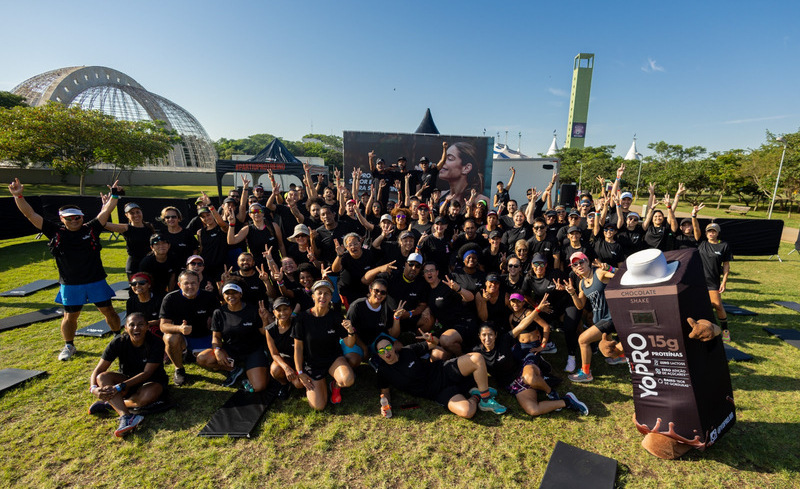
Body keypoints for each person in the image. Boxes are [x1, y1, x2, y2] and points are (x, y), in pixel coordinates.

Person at [8, 178, 121, 360]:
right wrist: (17, 195)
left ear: (82, 217)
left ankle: (118, 338)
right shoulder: (55, 231)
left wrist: (115, 193)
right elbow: (30, 214)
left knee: (109, 311)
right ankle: (69, 345)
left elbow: (107, 210)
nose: (74, 220)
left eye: (77, 217)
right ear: (62, 219)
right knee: (70, 316)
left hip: (96, 280)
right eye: (69, 218)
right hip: (71, 284)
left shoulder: (91, 229)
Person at [374, 331, 507, 418]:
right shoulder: (383, 371)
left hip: (443, 371)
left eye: (388, 348)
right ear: (379, 354)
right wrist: (385, 406)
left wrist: (431, 339)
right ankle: (476, 396)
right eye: (381, 351)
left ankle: (485, 399)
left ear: (393, 346)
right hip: (437, 392)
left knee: (477, 358)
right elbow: (385, 392)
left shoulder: (407, 351)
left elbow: (434, 344)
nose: (386, 353)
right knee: (467, 411)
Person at [474, 319, 588, 417]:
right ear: (479, 336)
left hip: (522, 370)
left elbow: (522, 325)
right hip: (512, 385)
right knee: (533, 410)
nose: (487, 338)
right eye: (484, 335)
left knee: (530, 378)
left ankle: (551, 392)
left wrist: (537, 310)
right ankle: (567, 401)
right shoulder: (477, 353)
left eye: (490, 334)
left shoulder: (504, 340)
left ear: (495, 335)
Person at [87, 313, 168, 437]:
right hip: (127, 381)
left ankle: (111, 403)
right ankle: (126, 416)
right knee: (102, 377)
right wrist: (93, 389)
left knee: (148, 395)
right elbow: (98, 370)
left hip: (152, 381)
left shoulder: (156, 342)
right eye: (132, 325)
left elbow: (147, 373)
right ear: (125, 327)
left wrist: (119, 387)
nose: (136, 328)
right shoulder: (118, 342)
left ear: (147, 327)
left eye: (141, 324)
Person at [292, 280, 356, 410]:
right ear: (313, 296)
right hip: (313, 364)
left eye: (327, 294)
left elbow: (349, 343)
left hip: (333, 359)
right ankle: (321, 383)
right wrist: (300, 372)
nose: (323, 297)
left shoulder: (336, 317)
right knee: (318, 406)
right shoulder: (302, 318)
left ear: (331, 297)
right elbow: (298, 348)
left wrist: (350, 331)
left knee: (347, 380)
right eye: (319, 293)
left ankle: (335, 385)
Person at [196, 282, 269, 392]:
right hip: (231, 351)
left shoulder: (253, 310)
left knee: (259, 387)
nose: (231, 296)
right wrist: (217, 350)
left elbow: (264, 333)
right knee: (202, 358)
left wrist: (264, 320)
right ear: (223, 295)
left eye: (234, 292)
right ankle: (234, 369)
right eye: (227, 293)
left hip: (252, 351)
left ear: (240, 294)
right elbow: (216, 337)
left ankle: (253, 368)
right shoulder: (219, 312)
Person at [561, 252, 620, 383]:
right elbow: (580, 306)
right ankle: (618, 357)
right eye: (575, 265)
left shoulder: (599, 273)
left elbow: (622, 275)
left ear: (587, 261)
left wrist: (610, 268)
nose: (579, 266)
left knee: (582, 340)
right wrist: (572, 293)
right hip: (600, 319)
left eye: (581, 262)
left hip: (612, 317)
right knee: (608, 346)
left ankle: (586, 373)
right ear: (573, 269)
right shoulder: (582, 283)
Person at [160, 270, 219, 386]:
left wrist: (213, 320)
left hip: (205, 337)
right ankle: (179, 369)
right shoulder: (170, 298)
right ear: (179, 284)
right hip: (184, 338)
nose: (190, 286)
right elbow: (163, 325)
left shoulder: (210, 297)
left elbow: (221, 319)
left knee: (215, 365)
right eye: (186, 283)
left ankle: (190, 355)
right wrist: (179, 329)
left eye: (193, 283)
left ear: (199, 283)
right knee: (170, 338)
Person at [344, 278, 400, 367]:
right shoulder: (357, 306)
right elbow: (349, 332)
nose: (379, 294)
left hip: (375, 339)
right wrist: (364, 348)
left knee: (399, 347)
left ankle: (377, 358)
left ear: (386, 295)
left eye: (383, 292)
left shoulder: (386, 308)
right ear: (370, 290)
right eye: (376, 290)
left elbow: (393, 335)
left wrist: (396, 318)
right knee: (353, 360)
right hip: (356, 339)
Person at [698, 222, 733, 342]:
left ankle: (725, 332)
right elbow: (696, 229)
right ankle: (701, 330)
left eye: (713, 231)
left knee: (717, 305)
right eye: (709, 231)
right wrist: (694, 216)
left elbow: (726, 265)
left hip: (713, 281)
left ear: (718, 233)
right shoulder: (701, 244)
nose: (711, 233)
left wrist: (724, 282)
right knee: (701, 306)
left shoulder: (723, 246)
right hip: (698, 281)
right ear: (706, 233)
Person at [103, 202, 155, 278]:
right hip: (134, 265)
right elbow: (102, 223)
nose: (136, 215)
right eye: (132, 213)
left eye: (138, 212)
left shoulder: (149, 226)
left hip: (149, 263)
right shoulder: (126, 228)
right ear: (127, 215)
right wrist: (105, 208)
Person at [265, 297, 301, 399]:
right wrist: (286, 368)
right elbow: (274, 354)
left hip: (300, 359)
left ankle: (295, 377)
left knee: (299, 385)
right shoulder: (270, 330)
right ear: (274, 312)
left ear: (290, 310)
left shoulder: (298, 324)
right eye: (279, 310)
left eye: (285, 309)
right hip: (285, 359)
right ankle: (284, 384)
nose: (282, 313)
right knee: (275, 370)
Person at [437, 141, 488, 208]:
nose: (442, 162)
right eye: (443, 158)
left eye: (449, 158)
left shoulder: (480, 200)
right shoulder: (441, 195)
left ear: (466, 168)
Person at [125, 272, 164, 337]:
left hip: (157, 328)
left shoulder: (160, 299)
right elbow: (129, 320)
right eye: (133, 284)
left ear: (149, 285)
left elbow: (165, 319)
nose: (137, 286)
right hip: (138, 328)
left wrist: (147, 324)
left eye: (142, 283)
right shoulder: (130, 301)